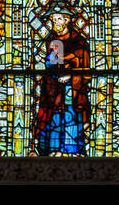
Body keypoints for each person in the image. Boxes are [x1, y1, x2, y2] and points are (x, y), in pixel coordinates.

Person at [32, 8, 91, 155]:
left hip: (71, 91)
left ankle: (71, 151)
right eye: (53, 20)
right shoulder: (51, 40)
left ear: (67, 20)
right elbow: (51, 61)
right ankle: (50, 150)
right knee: (52, 119)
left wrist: (71, 77)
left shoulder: (79, 42)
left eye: (58, 19)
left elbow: (85, 69)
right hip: (52, 90)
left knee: (70, 118)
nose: (55, 23)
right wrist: (41, 63)